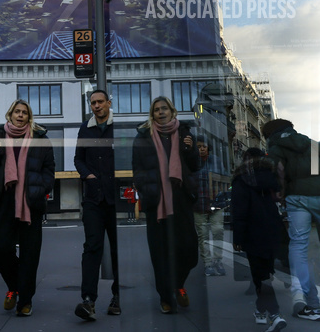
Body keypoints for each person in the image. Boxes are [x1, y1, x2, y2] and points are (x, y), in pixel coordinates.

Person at [263, 117, 320, 322]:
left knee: (298, 248)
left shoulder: (276, 148)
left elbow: (277, 171)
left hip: (298, 199)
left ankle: (313, 305)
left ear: (270, 135)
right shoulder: (312, 145)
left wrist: (279, 192)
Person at [0, 99, 55, 317]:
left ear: (29, 117)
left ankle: (25, 300)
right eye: (17, 112)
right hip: (5, 201)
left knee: (29, 255)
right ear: (10, 115)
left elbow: (49, 169)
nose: (21, 115)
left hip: (30, 203)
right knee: (0, 251)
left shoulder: (41, 139)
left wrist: (39, 188)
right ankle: (15, 285)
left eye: (25, 112)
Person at [131, 96, 199, 314]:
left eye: (164, 109)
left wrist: (191, 150)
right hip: (156, 201)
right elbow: (137, 169)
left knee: (189, 249)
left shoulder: (185, 134)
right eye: (156, 109)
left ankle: (178, 283)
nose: (161, 112)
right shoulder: (143, 137)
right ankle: (166, 297)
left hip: (180, 199)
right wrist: (147, 189)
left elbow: (195, 166)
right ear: (153, 114)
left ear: (172, 111)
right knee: (160, 253)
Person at [73, 89, 121, 320]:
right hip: (93, 198)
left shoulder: (117, 128)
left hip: (114, 199)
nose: (97, 105)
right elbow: (78, 158)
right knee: (92, 248)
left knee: (116, 250)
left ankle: (117, 297)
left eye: (100, 102)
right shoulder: (85, 128)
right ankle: (88, 300)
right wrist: (87, 176)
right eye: (93, 103)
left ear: (109, 103)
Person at [233, 147, 287, 332]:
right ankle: (260, 310)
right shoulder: (270, 176)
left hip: (252, 231)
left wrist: (238, 237)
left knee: (261, 276)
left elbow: (239, 209)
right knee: (265, 272)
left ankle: (274, 314)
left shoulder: (241, 178)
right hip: (271, 229)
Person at [193, 136, 226, 276]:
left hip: (215, 201)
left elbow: (223, 177)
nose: (201, 149)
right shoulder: (192, 161)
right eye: (198, 146)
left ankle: (217, 261)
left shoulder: (215, 160)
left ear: (208, 148)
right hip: (198, 202)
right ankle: (208, 264)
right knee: (203, 235)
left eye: (203, 146)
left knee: (218, 230)